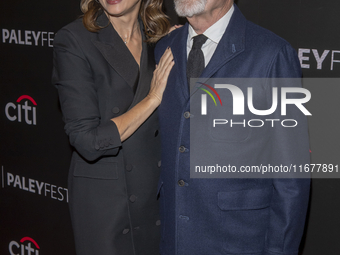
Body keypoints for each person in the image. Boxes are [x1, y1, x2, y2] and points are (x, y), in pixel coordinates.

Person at [155, 0, 310, 254]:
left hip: (238, 241)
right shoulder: (164, 48)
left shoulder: (272, 53)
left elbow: (292, 176)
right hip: (173, 240)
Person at [52, 0, 174, 254]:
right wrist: (152, 98)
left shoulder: (160, 39)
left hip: (154, 195)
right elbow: (87, 140)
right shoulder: (75, 39)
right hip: (106, 203)